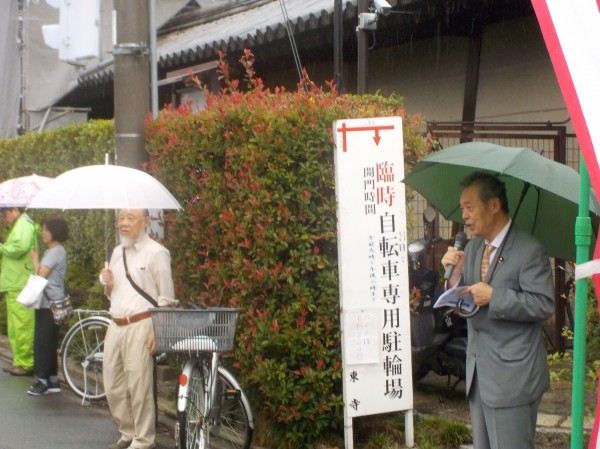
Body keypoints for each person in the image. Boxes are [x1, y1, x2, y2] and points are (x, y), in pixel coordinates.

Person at [441, 172, 555, 449]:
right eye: (463, 207)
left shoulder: (529, 250)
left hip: (514, 378)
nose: (464, 215)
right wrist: (455, 278)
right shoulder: (474, 246)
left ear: (494, 205)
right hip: (479, 373)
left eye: (470, 206)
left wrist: (496, 296)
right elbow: (468, 302)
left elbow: (543, 304)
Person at [101, 209, 175, 449]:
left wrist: (158, 328)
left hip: (142, 324)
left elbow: (166, 297)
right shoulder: (116, 252)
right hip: (116, 323)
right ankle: (128, 431)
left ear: (145, 222)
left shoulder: (157, 253)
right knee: (113, 385)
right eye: (121, 218)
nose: (123, 223)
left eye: (130, 218)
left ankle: (143, 440)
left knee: (139, 385)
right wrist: (109, 285)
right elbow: (115, 293)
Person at [28, 215, 69, 396]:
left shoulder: (55, 251)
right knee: (49, 341)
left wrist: (34, 259)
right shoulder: (55, 251)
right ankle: (53, 380)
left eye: (46, 230)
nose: (43, 233)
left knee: (43, 342)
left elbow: (41, 274)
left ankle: (42, 381)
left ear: (55, 231)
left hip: (49, 304)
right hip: (51, 302)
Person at [0, 207, 37, 376]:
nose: (3, 217)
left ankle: (26, 362)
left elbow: (19, 248)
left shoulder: (24, 224)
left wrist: (2, 247)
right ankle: (20, 360)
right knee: (16, 325)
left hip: (20, 283)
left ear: (15, 210)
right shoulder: (21, 224)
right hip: (15, 282)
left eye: (4, 213)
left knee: (22, 325)